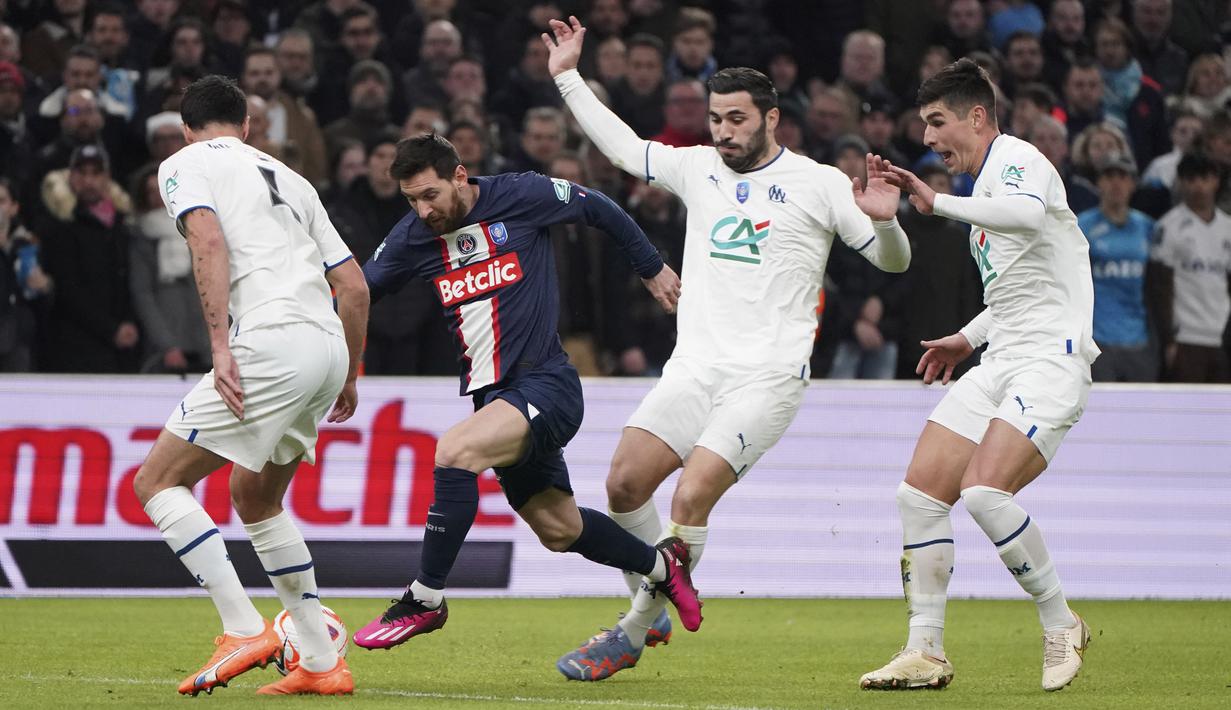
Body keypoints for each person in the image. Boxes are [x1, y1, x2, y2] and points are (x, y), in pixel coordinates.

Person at [543, 16, 911, 680]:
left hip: (766, 379)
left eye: (737, 119)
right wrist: (567, 77)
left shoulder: (819, 183)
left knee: (689, 500)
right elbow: (624, 147)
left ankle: (626, 635)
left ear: (771, 119)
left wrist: (886, 224)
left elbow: (891, 262)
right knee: (624, 482)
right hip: (696, 367)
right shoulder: (697, 169)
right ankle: (649, 603)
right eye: (716, 119)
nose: (723, 131)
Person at [351, 133, 703, 653]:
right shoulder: (411, 238)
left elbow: (598, 208)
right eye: (411, 200)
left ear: (459, 177)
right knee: (559, 530)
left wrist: (650, 266)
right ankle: (660, 565)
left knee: (454, 452)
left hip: (546, 384)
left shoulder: (522, 194)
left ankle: (424, 599)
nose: (422, 210)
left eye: (429, 195)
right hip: (494, 403)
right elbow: (357, 290)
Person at [861, 58, 1095, 692]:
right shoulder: (988, 185)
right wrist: (967, 337)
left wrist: (938, 203)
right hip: (1002, 357)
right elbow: (1018, 291)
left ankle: (1060, 622)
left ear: (978, 117)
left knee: (985, 491)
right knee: (920, 495)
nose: (930, 139)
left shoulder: (1018, 160)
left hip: (1051, 358)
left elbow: (1022, 214)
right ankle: (925, 651)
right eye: (925, 127)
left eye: (938, 123)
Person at [130, 75, 369, 696]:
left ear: (186, 128)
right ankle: (320, 662)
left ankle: (242, 627)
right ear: (246, 126)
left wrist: (218, 347)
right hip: (324, 344)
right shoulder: (292, 177)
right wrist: (349, 369)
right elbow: (355, 287)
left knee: (157, 481)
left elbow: (207, 241)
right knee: (257, 498)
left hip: (268, 340)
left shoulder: (181, 164)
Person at [1150, 152, 1231, 383]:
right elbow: (1160, 288)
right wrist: (1168, 340)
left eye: (1204, 179)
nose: (1199, 186)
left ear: (1215, 181)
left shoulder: (1227, 227)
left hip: (1221, 337)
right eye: (1191, 179)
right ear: (1182, 182)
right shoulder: (1168, 227)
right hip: (1186, 337)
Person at [1078, 153, 1158, 382]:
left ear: (1133, 184)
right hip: (1098, 341)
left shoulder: (1147, 227)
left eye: (1123, 176)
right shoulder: (1082, 226)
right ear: (1099, 183)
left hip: (1138, 340)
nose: (1116, 183)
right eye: (1109, 176)